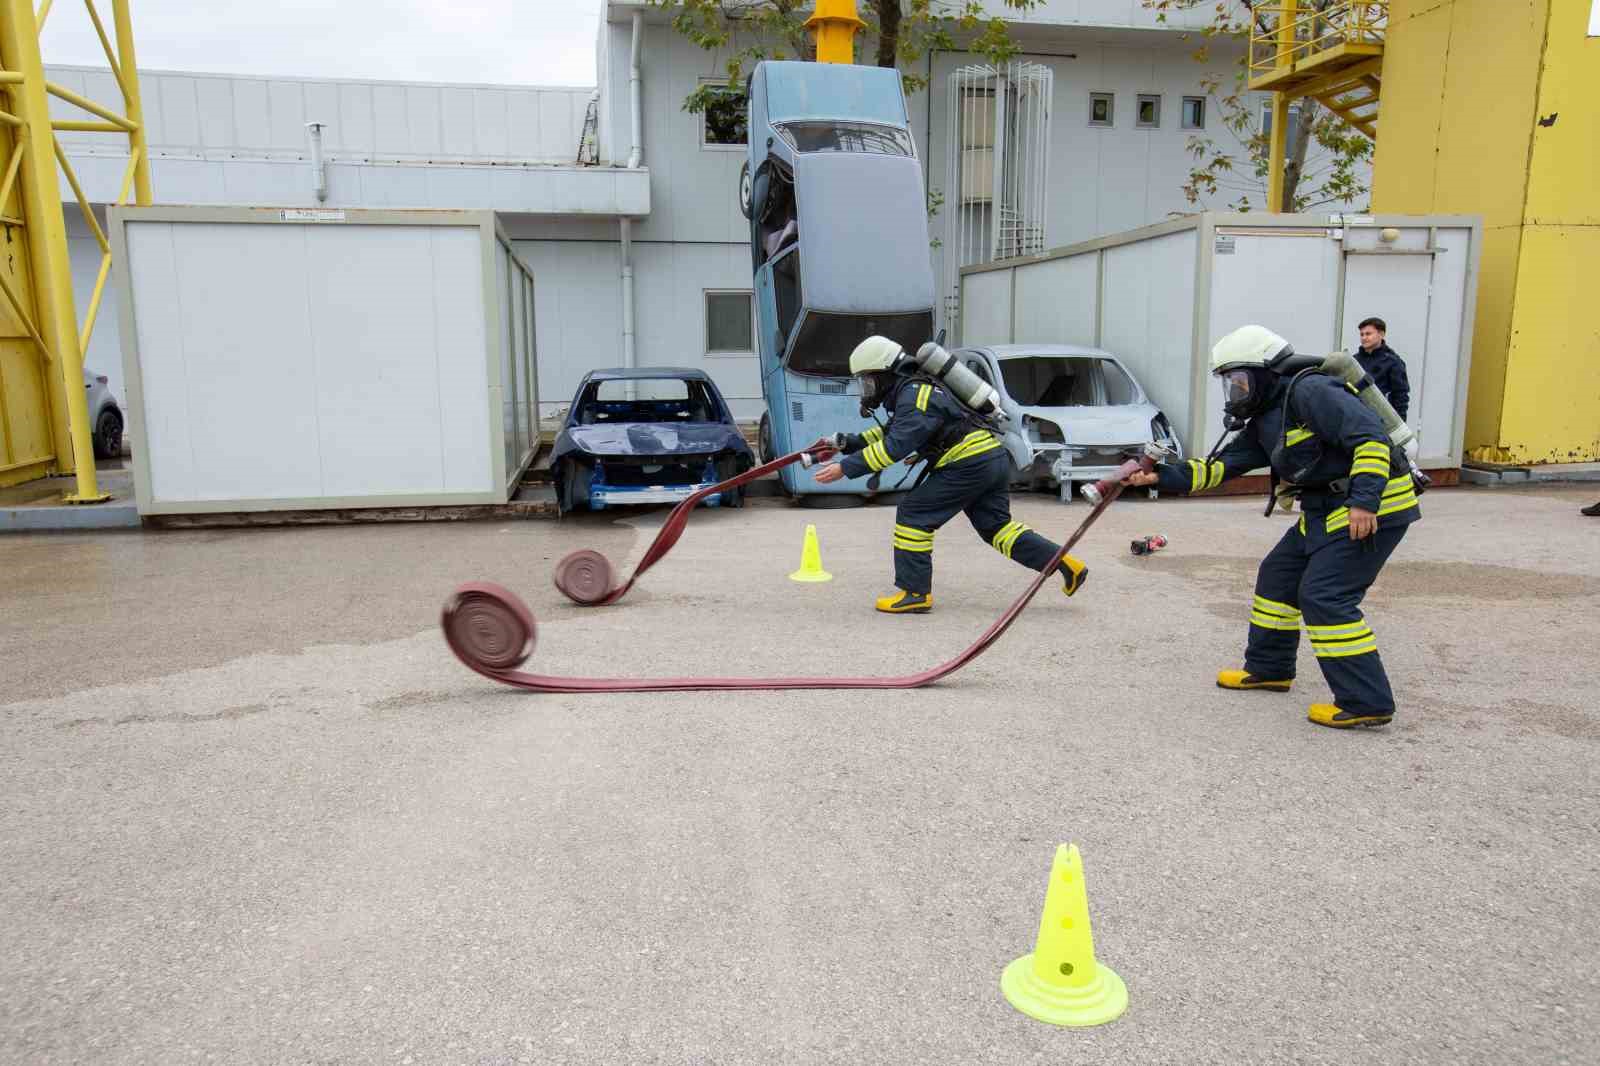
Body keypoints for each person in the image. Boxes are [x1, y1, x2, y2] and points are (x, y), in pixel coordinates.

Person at [1124, 325, 1420, 730]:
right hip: (1325, 507)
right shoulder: (1266, 415)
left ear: (1265, 372)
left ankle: (1365, 701)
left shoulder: (1312, 391)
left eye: (1238, 379)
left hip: (1373, 507)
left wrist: (1364, 503)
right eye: (1228, 382)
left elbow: (1370, 439)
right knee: (1279, 577)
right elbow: (1221, 467)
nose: (1234, 390)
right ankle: (1270, 669)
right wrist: (1160, 478)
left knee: (1325, 596)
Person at [813, 335, 1089, 613]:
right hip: (989, 459)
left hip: (968, 463)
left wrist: (844, 469)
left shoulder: (914, 396)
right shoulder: (915, 392)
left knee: (913, 514)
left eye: (868, 381)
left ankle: (915, 593)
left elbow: (895, 446)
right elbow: (890, 433)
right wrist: (844, 443)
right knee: (997, 528)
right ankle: (1065, 564)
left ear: (885, 374)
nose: (867, 389)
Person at [1356, 317, 1410, 421]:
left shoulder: (1393, 363)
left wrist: (1398, 426)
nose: (1364, 337)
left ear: (1381, 334)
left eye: (1368, 334)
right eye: (1361, 334)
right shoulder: (1354, 361)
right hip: (1354, 418)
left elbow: (1400, 397)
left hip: (1379, 422)